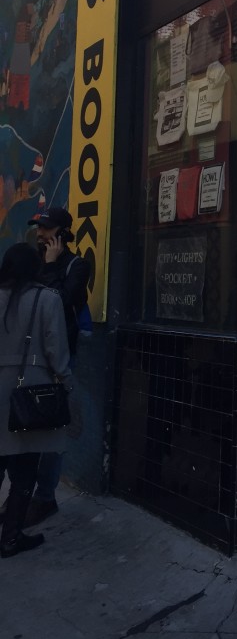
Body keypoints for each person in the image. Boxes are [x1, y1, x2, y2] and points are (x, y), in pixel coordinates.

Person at [0, 244, 72, 557]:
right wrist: (65, 382)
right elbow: (56, 348)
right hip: (29, 390)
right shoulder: (47, 298)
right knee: (26, 466)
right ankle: (11, 537)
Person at [24, 207, 90, 526]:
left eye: (47, 229)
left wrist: (50, 268)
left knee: (51, 431)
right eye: (38, 228)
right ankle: (21, 495)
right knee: (23, 424)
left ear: (63, 234)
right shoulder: (34, 263)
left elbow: (57, 303)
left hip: (59, 358)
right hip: (29, 355)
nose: (40, 234)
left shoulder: (78, 266)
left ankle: (44, 497)